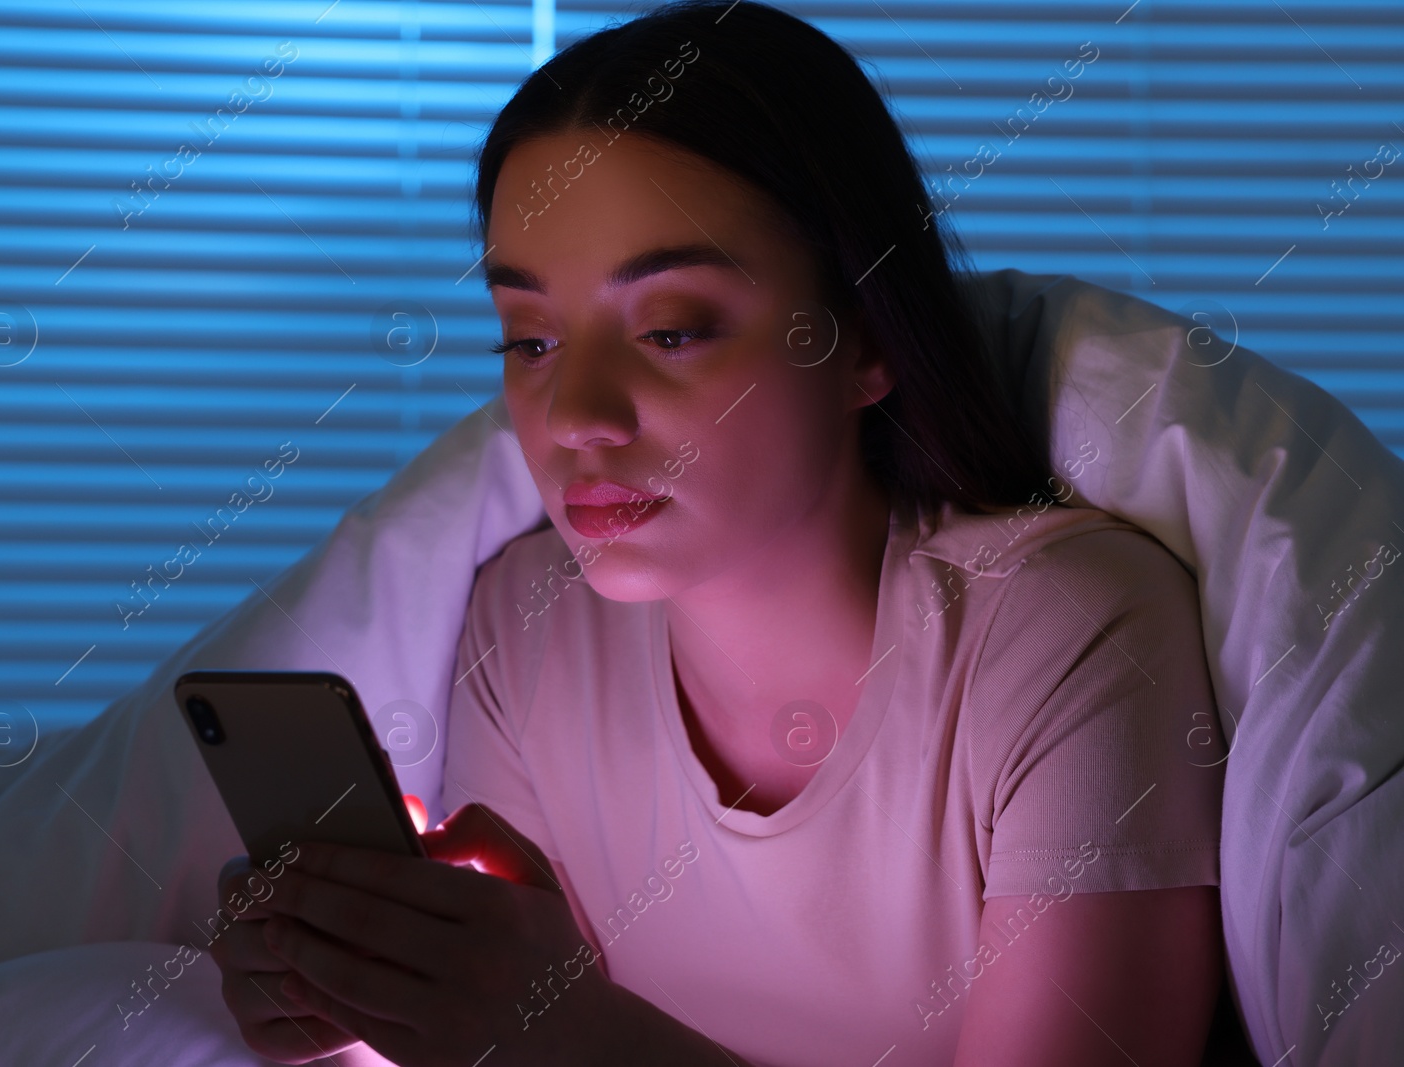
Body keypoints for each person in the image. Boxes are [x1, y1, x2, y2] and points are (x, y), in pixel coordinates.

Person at [210, 2, 1227, 1064]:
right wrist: (374, 978)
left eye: (670, 329)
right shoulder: (526, 624)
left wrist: (563, 1033)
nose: (573, 416)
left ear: (863, 342)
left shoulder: (1066, 632)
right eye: (530, 340)